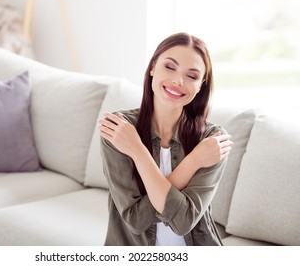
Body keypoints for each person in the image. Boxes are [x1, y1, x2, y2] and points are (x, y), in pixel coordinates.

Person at [98, 32, 233, 246]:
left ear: (201, 85)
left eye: (192, 76)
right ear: (153, 67)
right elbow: (136, 219)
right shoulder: (121, 130)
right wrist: (138, 149)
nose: (178, 81)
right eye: (170, 67)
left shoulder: (212, 141)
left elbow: (182, 221)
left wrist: (195, 158)